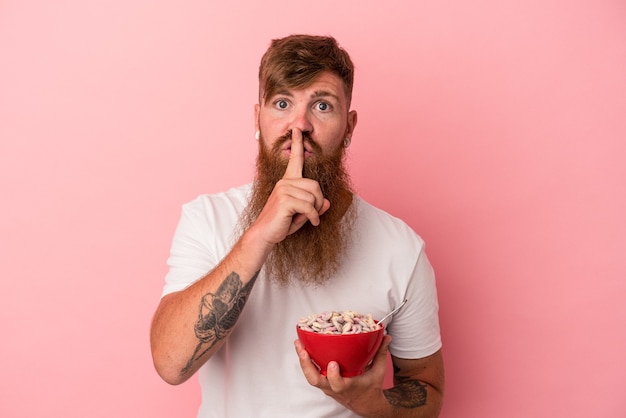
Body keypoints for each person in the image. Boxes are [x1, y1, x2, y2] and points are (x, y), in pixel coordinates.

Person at [150, 34, 444, 417]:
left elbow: (428, 389)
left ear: (350, 126)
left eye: (322, 106)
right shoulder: (207, 218)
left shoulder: (401, 248)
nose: (299, 125)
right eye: (283, 103)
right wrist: (258, 236)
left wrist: (371, 403)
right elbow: (171, 364)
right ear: (257, 118)